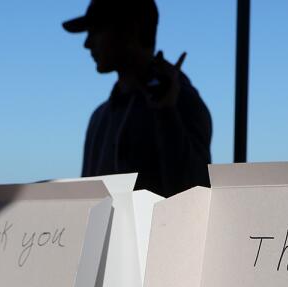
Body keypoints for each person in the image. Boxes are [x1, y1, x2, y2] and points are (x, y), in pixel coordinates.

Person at [63, 0, 212, 197]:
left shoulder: (182, 102)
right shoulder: (100, 116)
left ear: (130, 30)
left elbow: (193, 197)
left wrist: (166, 113)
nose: (87, 43)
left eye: (96, 30)